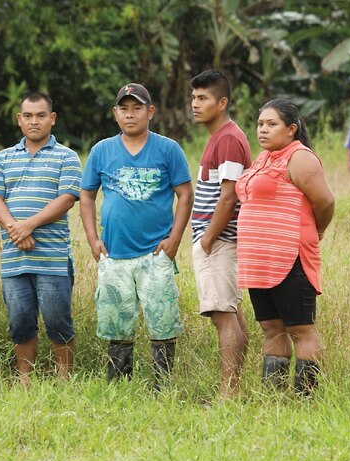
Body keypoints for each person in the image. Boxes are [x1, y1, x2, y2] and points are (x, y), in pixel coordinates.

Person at [80, 83, 192, 387]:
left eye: (137, 108)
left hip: (155, 254)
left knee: (163, 321)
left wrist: (174, 240)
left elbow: (185, 194)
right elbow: (87, 195)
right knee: (116, 323)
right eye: (124, 109)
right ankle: (119, 384)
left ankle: (162, 386)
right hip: (114, 254)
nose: (130, 115)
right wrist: (92, 239)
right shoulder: (102, 150)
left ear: (150, 112)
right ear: (115, 113)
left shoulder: (168, 149)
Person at [235, 99, 335, 396]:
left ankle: (306, 399)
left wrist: (317, 230)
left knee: (300, 329)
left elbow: (326, 201)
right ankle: (274, 398)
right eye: (260, 124)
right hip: (259, 262)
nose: (262, 130)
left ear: (292, 129)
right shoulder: (264, 158)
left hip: (290, 257)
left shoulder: (300, 158)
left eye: (271, 124)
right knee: (271, 329)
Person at [0, 92, 81, 386]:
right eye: (28, 116)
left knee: (57, 320)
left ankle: (63, 377)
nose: (34, 121)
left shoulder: (67, 156)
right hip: (15, 257)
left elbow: (66, 198)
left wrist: (29, 225)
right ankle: (24, 378)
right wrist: (15, 228)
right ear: (19, 120)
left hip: (51, 257)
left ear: (52, 119)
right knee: (20, 321)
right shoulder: (3, 157)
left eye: (41, 115)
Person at [189, 69, 252, 399]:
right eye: (193, 98)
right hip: (219, 239)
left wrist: (209, 239)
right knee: (230, 314)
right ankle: (234, 389)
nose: (195, 105)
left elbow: (229, 195)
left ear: (222, 102)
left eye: (203, 99)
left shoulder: (227, 138)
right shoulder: (220, 136)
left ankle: (230, 392)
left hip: (219, 240)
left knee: (223, 317)